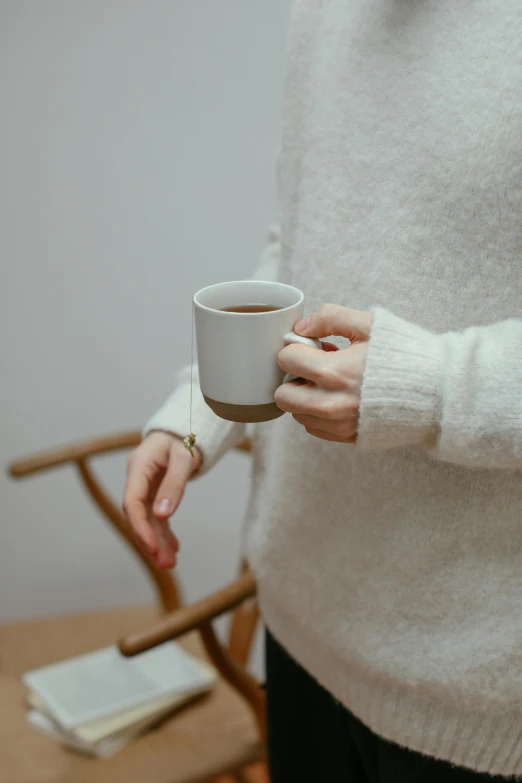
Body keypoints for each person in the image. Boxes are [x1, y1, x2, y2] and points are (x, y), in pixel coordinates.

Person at [123, 2, 522, 781]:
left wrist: (431, 386)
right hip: (304, 628)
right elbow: (300, 238)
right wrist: (204, 407)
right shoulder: (322, 12)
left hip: (479, 694)